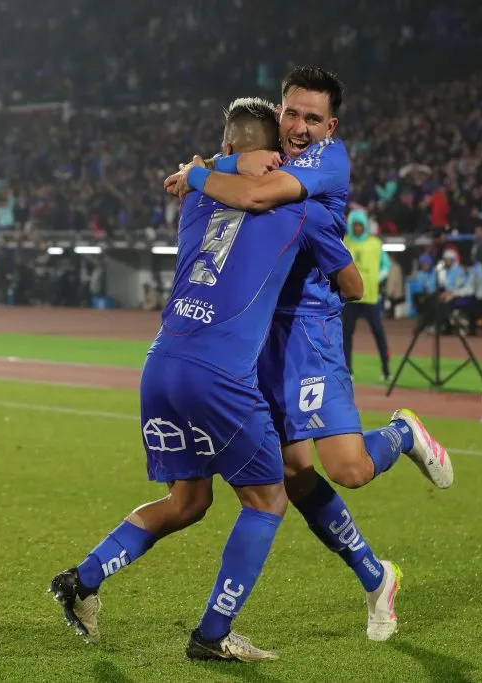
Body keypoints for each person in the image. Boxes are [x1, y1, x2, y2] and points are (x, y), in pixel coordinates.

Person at [49, 97, 363, 662]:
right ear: (274, 157)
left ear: (227, 149)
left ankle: (83, 579)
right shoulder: (303, 211)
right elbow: (354, 284)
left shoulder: (194, 194)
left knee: (188, 500)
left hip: (161, 364)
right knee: (267, 499)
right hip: (219, 375)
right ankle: (211, 636)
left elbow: (224, 182)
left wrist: (211, 167)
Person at [165, 65, 453, 642]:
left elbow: (256, 194)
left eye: (312, 118)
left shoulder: (329, 160)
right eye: (290, 113)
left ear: (331, 125)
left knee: (347, 470)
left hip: (310, 330)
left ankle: (402, 433)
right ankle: (376, 578)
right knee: (294, 476)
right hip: (259, 336)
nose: (298, 127)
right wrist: (217, 165)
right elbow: (240, 175)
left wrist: (199, 173)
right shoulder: (268, 153)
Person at [342, 208, 392, 381]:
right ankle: (348, 370)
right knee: (346, 334)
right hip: (349, 297)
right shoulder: (344, 242)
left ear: (364, 226)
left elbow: (386, 264)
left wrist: (380, 276)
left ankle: (386, 369)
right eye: (354, 225)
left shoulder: (375, 243)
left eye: (359, 225)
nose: (357, 228)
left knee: (379, 333)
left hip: (370, 297)